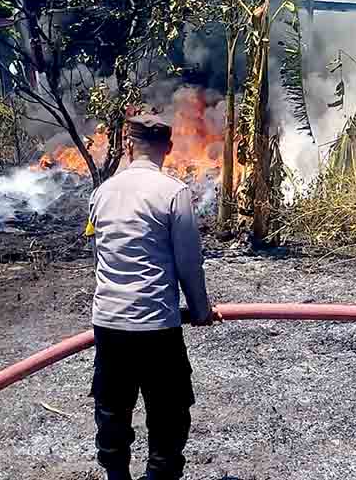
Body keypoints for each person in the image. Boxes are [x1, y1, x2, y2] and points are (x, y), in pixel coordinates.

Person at [86, 114, 219, 480]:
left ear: (128, 147)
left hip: (109, 323)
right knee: (168, 413)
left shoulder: (102, 193)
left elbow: (99, 256)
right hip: (157, 326)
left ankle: (117, 477)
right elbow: (188, 263)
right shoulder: (173, 193)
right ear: (169, 149)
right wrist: (201, 309)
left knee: (112, 410)